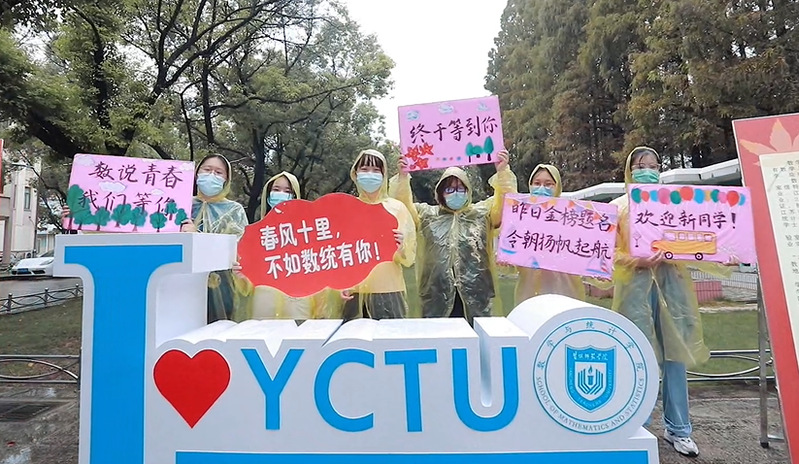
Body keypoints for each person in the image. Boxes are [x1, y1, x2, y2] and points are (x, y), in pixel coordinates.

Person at [611, 146, 737, 458]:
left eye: (653, 165)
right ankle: (635, 425)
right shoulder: (619, 208)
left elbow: (701, 238)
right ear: (629, 170)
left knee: (674, 356)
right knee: (636, 356)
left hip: (672, 287)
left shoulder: (676, 205)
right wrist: (636, 260)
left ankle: (678, 428)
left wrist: (727, 252)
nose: (647, 170)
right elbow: (608, 252)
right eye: (640, 165)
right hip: (635, 290)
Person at [390, 150, 516, 324]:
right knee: (440, 338)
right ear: (441, 192)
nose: (456, 193)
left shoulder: (481, 214)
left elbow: (506, 204)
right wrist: (403, 178)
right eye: (450, 189)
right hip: (435, 294)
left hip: (477, 294)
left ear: (468, 191)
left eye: (460, 188)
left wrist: (502, 172)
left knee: (476, 337)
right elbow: (402, 209)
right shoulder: (427, 215)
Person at [249, 171, 338, 320]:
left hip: (298, 302)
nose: (281, 194)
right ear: (268, 194)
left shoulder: (307, 232)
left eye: (288, 191)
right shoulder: (257, 233)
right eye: (276, 189)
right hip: (265, 302)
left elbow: (320, 268)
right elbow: (248, 275)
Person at [340, 149, 416, 320]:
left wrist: (402, 246)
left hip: (389, 288)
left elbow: (409, 256)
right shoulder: (346, 209)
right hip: (354, 291)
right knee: (353, 336)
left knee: (391, 335)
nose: (370, 174)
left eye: (376, 170)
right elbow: (338, 252)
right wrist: (342, 282)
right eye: (365, 169)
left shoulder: (396, 208)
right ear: (355, 173)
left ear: (383, 175)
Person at [180, 154, 251, 323]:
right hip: (180, 282)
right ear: (197, 173)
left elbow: (241, 249)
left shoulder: (234, 211)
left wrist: (197, 236)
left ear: (226, 179)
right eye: (207, 169)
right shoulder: (180, 205)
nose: (212, 175)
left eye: (218, 172)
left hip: (222, 285)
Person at [514, 164, 586, 305]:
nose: (542, 188)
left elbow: (585, 256)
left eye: (548, 184)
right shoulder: (520, 219)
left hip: (565, 295)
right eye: (537, 183)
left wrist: (598, 273)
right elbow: (511, 263)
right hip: (529, 296)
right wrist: (506, 260)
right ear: (530, 185)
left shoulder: (573, 220)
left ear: (557, 187)